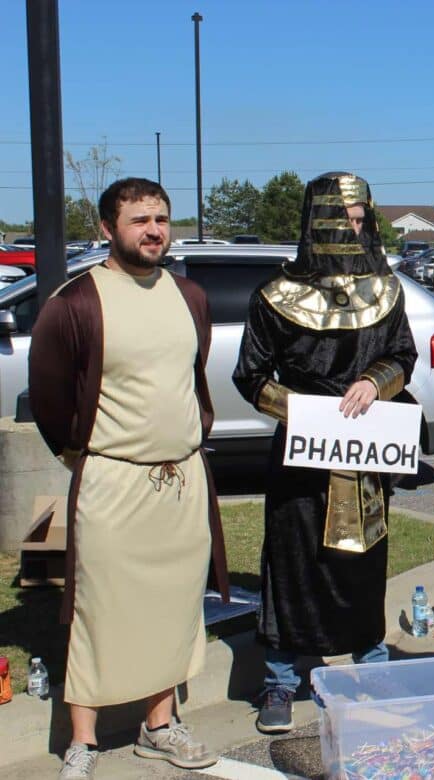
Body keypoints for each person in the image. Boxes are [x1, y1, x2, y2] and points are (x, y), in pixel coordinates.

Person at [29, 178, 228, 778]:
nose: (154, 231)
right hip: (112, 482)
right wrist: (84, 457)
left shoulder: (189, 296)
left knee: (174, 607)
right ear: (106, 228)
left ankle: (159, 725)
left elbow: (191, 379)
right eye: (140, 220)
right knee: (98, 609)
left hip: (183, 481)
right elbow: (50, 399)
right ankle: (82, 741)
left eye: (161, 219)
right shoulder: (76, 302)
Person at [232, 172, 417, 734]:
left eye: (362, 221)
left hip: (364, 451)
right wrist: (302, 410)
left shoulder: (386, 290)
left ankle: (371, 667)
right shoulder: (275, 295)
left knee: (363, 562)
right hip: (301, 453)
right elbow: (251, 375)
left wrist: (375, 381)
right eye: (345, 221)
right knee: (293, 562)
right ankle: (280, 680)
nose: (355, 231)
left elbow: (402, 355)